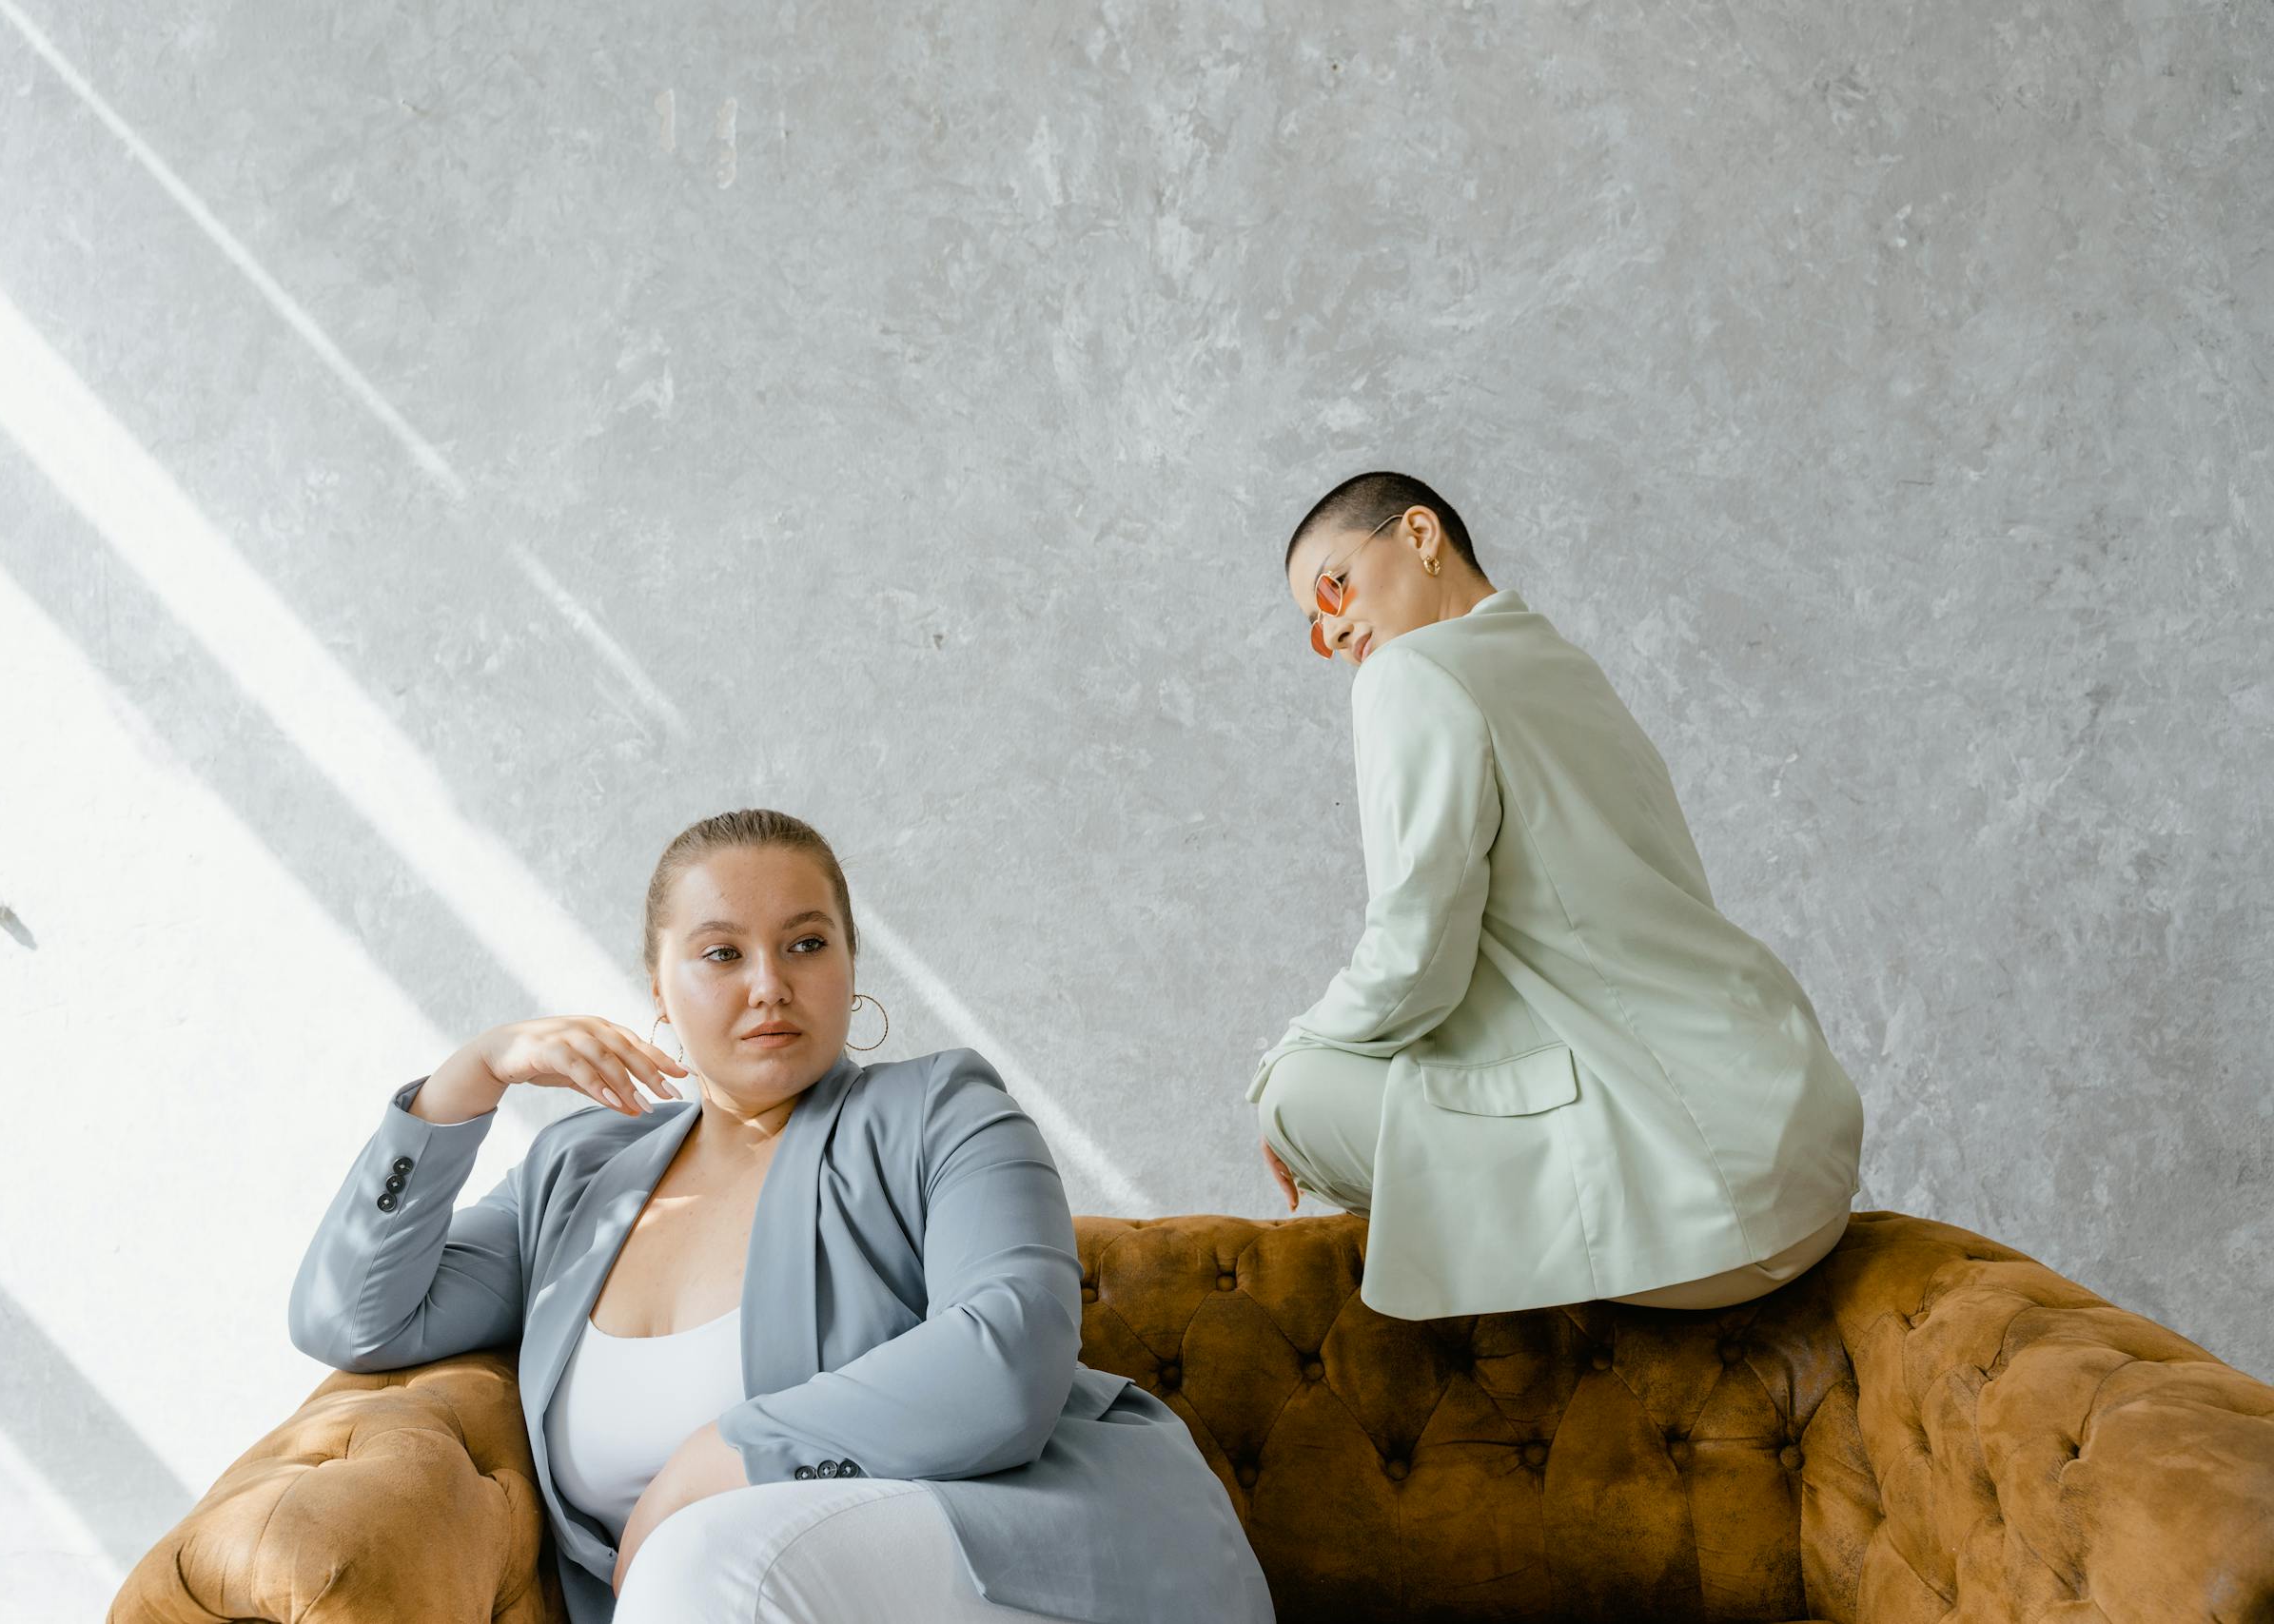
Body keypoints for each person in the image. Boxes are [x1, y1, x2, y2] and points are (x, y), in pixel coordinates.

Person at [288, 808, 1274, 1624]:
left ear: (850, 964)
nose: (770, 984)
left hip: (1022, 1565)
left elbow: (1009, 1355)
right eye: (721, 952)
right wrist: (468, 1078)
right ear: (659, 992)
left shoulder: (940, 1110)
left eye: (806, 943)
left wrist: (721, 1455)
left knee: (704, 1564)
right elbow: (357, 1318)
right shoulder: (575, 1175)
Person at [1250, 470, 1864, 1321]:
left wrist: (1281, 1059)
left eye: (1334, 585)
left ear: (1420, 535)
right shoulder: (1564, 666)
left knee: (1297, 1092)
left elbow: (1415, 957)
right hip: (1802, 1153)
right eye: (1314, 627)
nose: (1335, 628)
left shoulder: (1409, 673)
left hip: (1709, 1198)